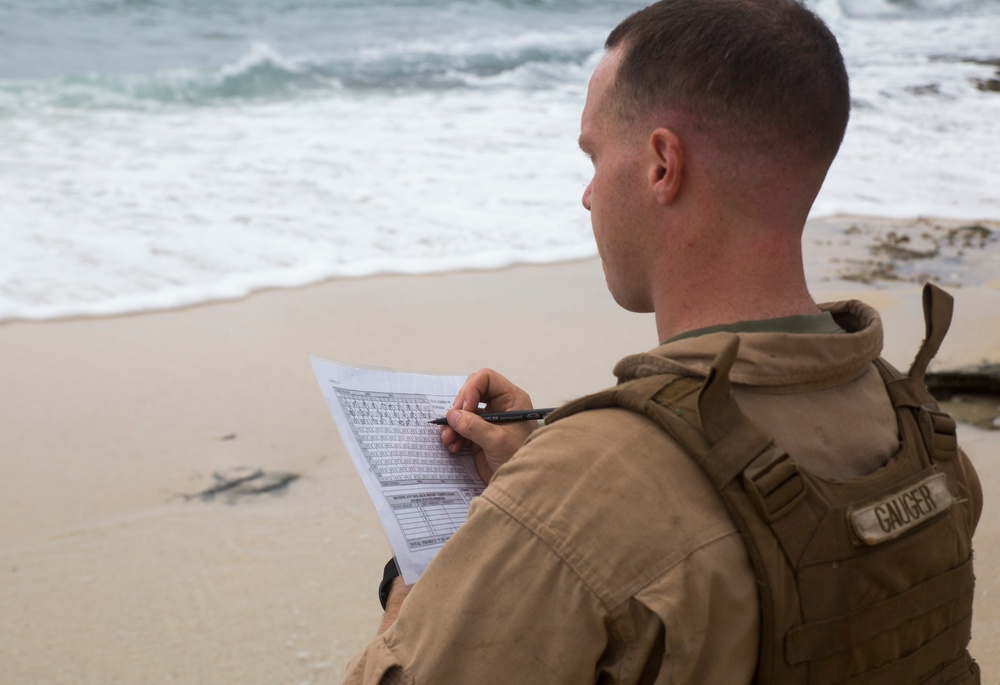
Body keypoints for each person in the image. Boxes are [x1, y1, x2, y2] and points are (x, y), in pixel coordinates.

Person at [342, 0, 982, 682]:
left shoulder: (576, 497)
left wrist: (432, 577)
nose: (588, 195)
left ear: (660, 164)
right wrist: (540, 486)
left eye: (594, 154)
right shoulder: (925, 439)